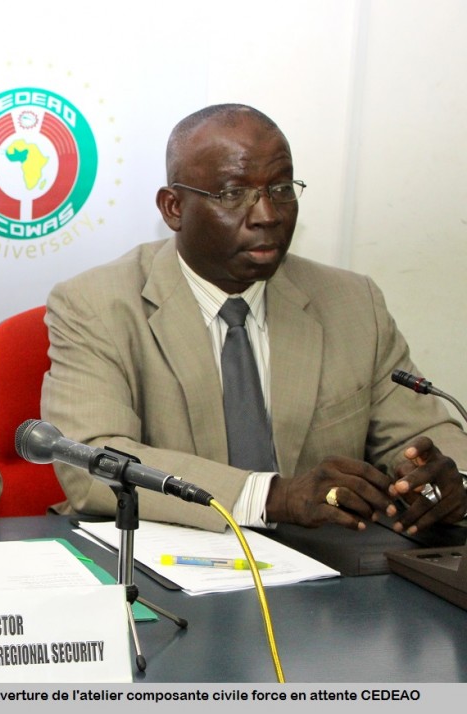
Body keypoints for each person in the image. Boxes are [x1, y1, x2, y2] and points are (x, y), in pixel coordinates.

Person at [41, 103, 467, 534]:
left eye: (281, 188)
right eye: (232, 194)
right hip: (163, 566)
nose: (268, 215)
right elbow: (90, 459)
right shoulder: (95, 303)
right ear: (173, 208)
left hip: (327, 572)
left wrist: (444, 482)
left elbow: (427, 435)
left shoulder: (353, 303)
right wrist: (275, 496)